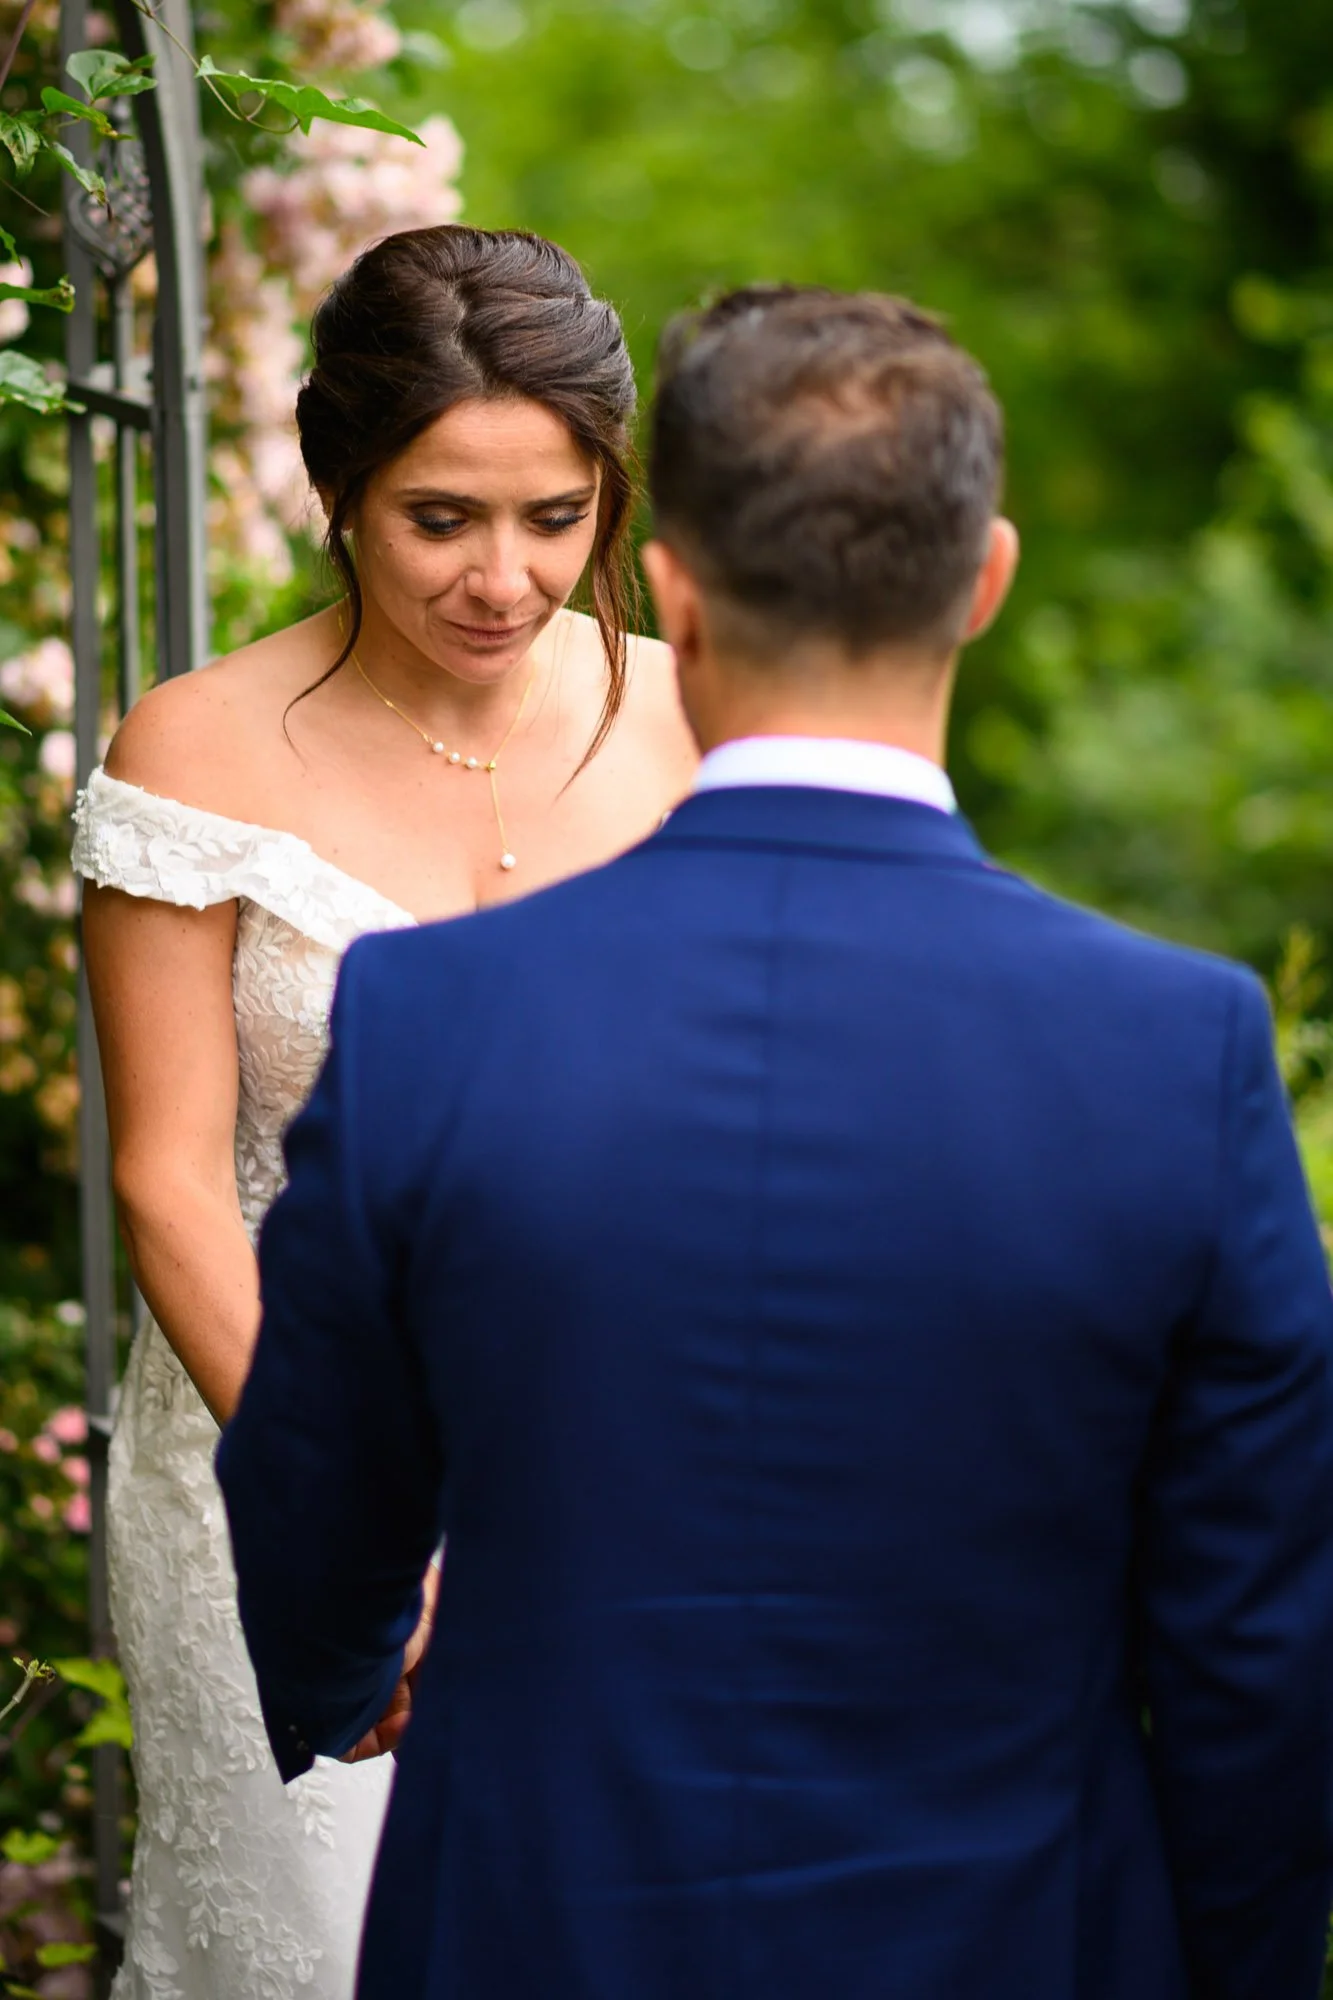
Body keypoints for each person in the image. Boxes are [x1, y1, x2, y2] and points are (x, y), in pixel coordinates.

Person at [218, 286, 1333, 2000]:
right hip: (1023, 1937)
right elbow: (1262, 1635)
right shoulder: (1178, 1050)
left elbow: (316, 1483)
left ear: (669, 586)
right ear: (986, 579)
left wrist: (346, 1662)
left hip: (536, 1921)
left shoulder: (435, 1017)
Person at [71, 224, 696, 2000]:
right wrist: (356, 1509)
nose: (506, 577)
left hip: (632, 1463)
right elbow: (169, 1176)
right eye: (444, 518)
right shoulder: (194, 749)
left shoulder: (692, 714)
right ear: (335, 482)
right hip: (280, 1445)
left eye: (556, 518)